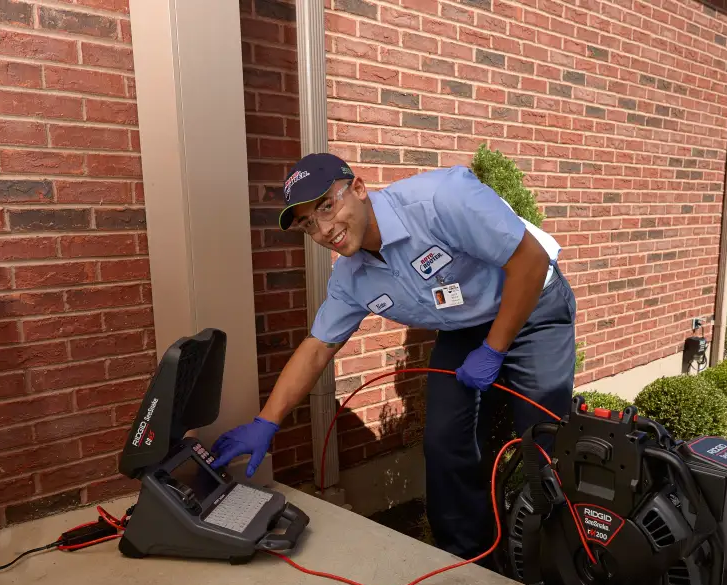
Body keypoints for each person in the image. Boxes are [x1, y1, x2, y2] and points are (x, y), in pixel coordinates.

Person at [210, 152, 577, 562]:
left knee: (547, 445)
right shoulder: (352, 279)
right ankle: (468, 559)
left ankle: (565, 561)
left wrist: (493, 349)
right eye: (309, 224)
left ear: (360, 189)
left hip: (532, 303)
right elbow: (318, 347)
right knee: (443, 440)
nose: (324, 228)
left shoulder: (443, 199)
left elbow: (530, 261)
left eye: (327, 206)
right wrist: (266, 422)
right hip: (464, 327)